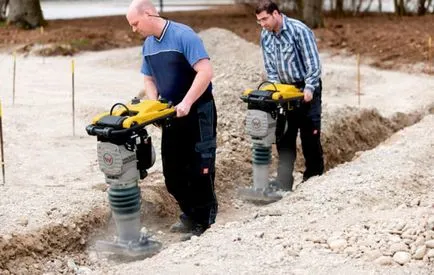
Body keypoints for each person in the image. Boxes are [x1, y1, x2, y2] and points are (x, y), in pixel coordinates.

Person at [126, 0, 218, 238]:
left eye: (135, 24)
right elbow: (148, 78)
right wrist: (155, 105)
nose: (134, 30)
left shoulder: (183, 35)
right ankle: (189, 215)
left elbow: (205, 72)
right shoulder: (148, 46)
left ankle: (204, 221)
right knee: (174, 175)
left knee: (200, 168)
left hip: (198, 112)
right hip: (171, 115)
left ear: (148, 14)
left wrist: (187, 102)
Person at [255, 0, 324, 191]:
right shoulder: (265, 35)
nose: (262, 24)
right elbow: (270, 67)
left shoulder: (299, 30)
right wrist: (276, 90)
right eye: (259, 21)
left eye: (265, 19)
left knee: (310, 136)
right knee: (284, 137)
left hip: (305, 88)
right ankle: (284, 183)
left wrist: (309, 89)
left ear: (276, 13)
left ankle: (314, 177)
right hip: (285, 92)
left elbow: (313, 63)